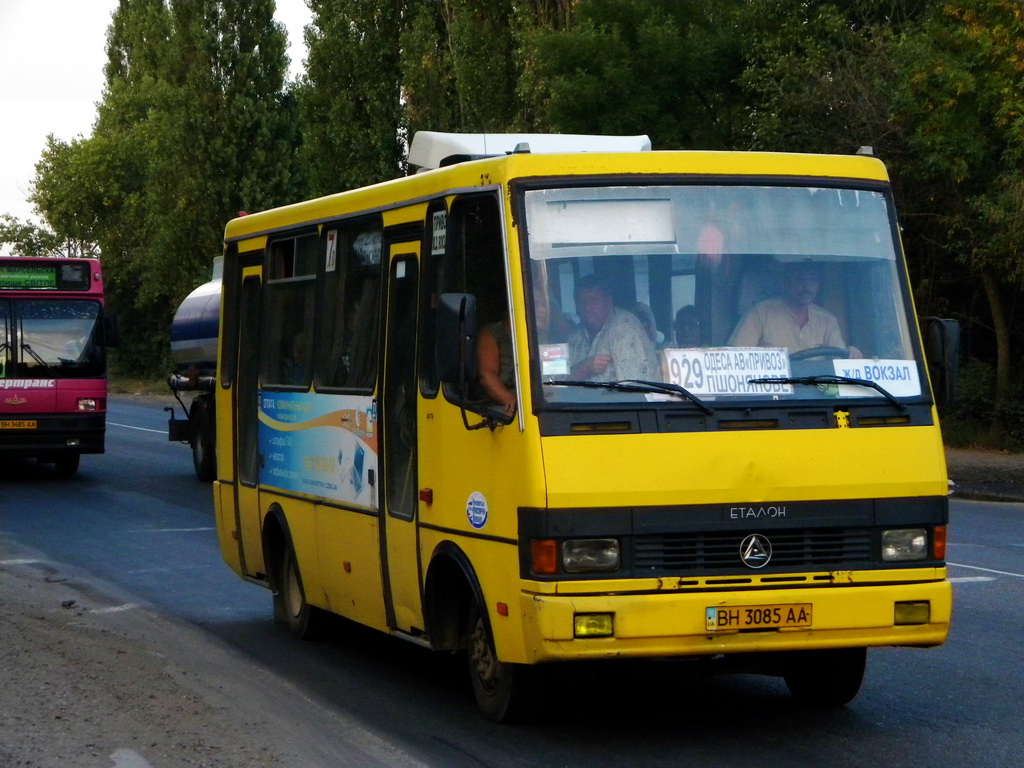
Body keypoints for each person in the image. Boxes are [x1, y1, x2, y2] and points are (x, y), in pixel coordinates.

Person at [729, 262, 861, 357]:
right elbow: (736, 358)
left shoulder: (827, 321)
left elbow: (838, 361)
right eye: (799, 279)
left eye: (812, 280)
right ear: (786, 282)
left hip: (819, 392)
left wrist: (851, 355)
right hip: (773, 391)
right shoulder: (760, 313)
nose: (806, 287)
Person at [568, 275, 658, 382]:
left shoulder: (624, 327)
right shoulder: (575, 335)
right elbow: (555, 384)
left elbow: (633, 390)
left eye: (594, 300)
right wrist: (584, 368)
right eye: (581, 302)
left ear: (608, 302)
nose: (587, 307)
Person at [476, 316, 516, 416]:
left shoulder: (551, 333)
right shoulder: (491, 334)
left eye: (545, 305)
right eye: (537, 304)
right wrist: (512, 402)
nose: (542, 310)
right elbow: (486, 375)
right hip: (501, 402)